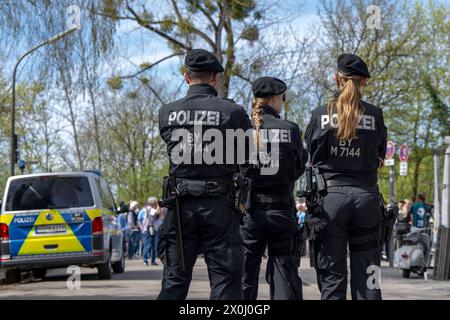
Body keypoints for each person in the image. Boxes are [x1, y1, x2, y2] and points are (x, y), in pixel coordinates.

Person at [157, 49, 252, 300]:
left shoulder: (167, 112)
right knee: (226, 282)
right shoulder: (233, 112)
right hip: (219, 207)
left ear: (186, 77)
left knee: (174, 281)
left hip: (180, 208)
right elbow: (248, 159)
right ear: (215, 78)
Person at [305, 53, 387, 300]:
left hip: (331, 200)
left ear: (336, 78)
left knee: (332, 276)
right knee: (370, 276)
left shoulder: (320, 114)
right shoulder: (376, 114)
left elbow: (311, 154)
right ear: (363, 82)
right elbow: (380, 159)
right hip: (367, 200)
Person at [241, 77, 307, 300]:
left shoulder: (246, 131)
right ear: (274, 99)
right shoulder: (291, 129)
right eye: (282, 98)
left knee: (245, 275)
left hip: (250, 212)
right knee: (283, 272)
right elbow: (300, 166)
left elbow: (238, 170)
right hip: (281, 210)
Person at [138, 197, 157, 266]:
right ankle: (150, 260)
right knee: (151, 245)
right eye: (155, 203)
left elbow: (139, 219)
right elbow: (139, 219)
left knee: (149, 245)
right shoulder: (149, 210)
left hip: (149, 229)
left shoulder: (145, 210)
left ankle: (147, 260)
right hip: (150, 229)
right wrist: (143, 228)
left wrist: (142, 228)